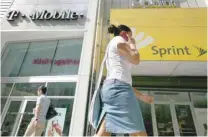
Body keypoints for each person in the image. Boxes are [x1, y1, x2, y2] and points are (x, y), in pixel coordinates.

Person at [95, 24, 154, 136]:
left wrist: (141, 96)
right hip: (118, 89)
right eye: (129, 36)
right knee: (137, 131)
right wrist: (132, 44)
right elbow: (136, 59)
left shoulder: (113, 46)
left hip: (112, 89)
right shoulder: (119, 40)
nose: (129, 39)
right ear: (124, 33)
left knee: (105, 131)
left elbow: (121, 82)